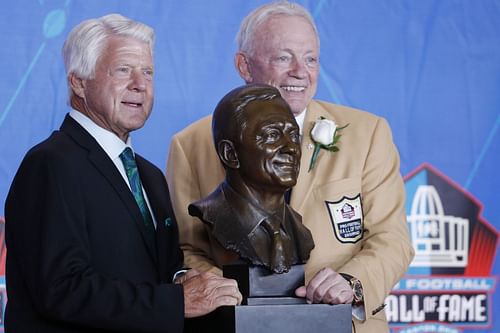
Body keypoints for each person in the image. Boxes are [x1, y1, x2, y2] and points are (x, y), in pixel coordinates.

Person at [166, 2, 414, 332]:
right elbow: (185, 249)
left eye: (310, 58)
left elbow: (392, 239)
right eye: (284, 57)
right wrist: (236, 295)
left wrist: (352, 283)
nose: (301, 70)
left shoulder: (367, 134)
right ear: (244, 64)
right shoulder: (191, 143)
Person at [4, 14, 241, 333]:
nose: (140, 85)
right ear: (78, 82)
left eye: (148, 72)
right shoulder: (49, 164)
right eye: (123, 70)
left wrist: (188, 281)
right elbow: (61, 288)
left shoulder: (150, 175)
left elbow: (159, 272)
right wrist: (175, 301)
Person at [188, 84, 315, 274]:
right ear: (230, 154)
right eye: (272, 135)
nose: (292, 149)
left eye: (293, 135)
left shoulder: (300, 232)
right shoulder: (210, 215)